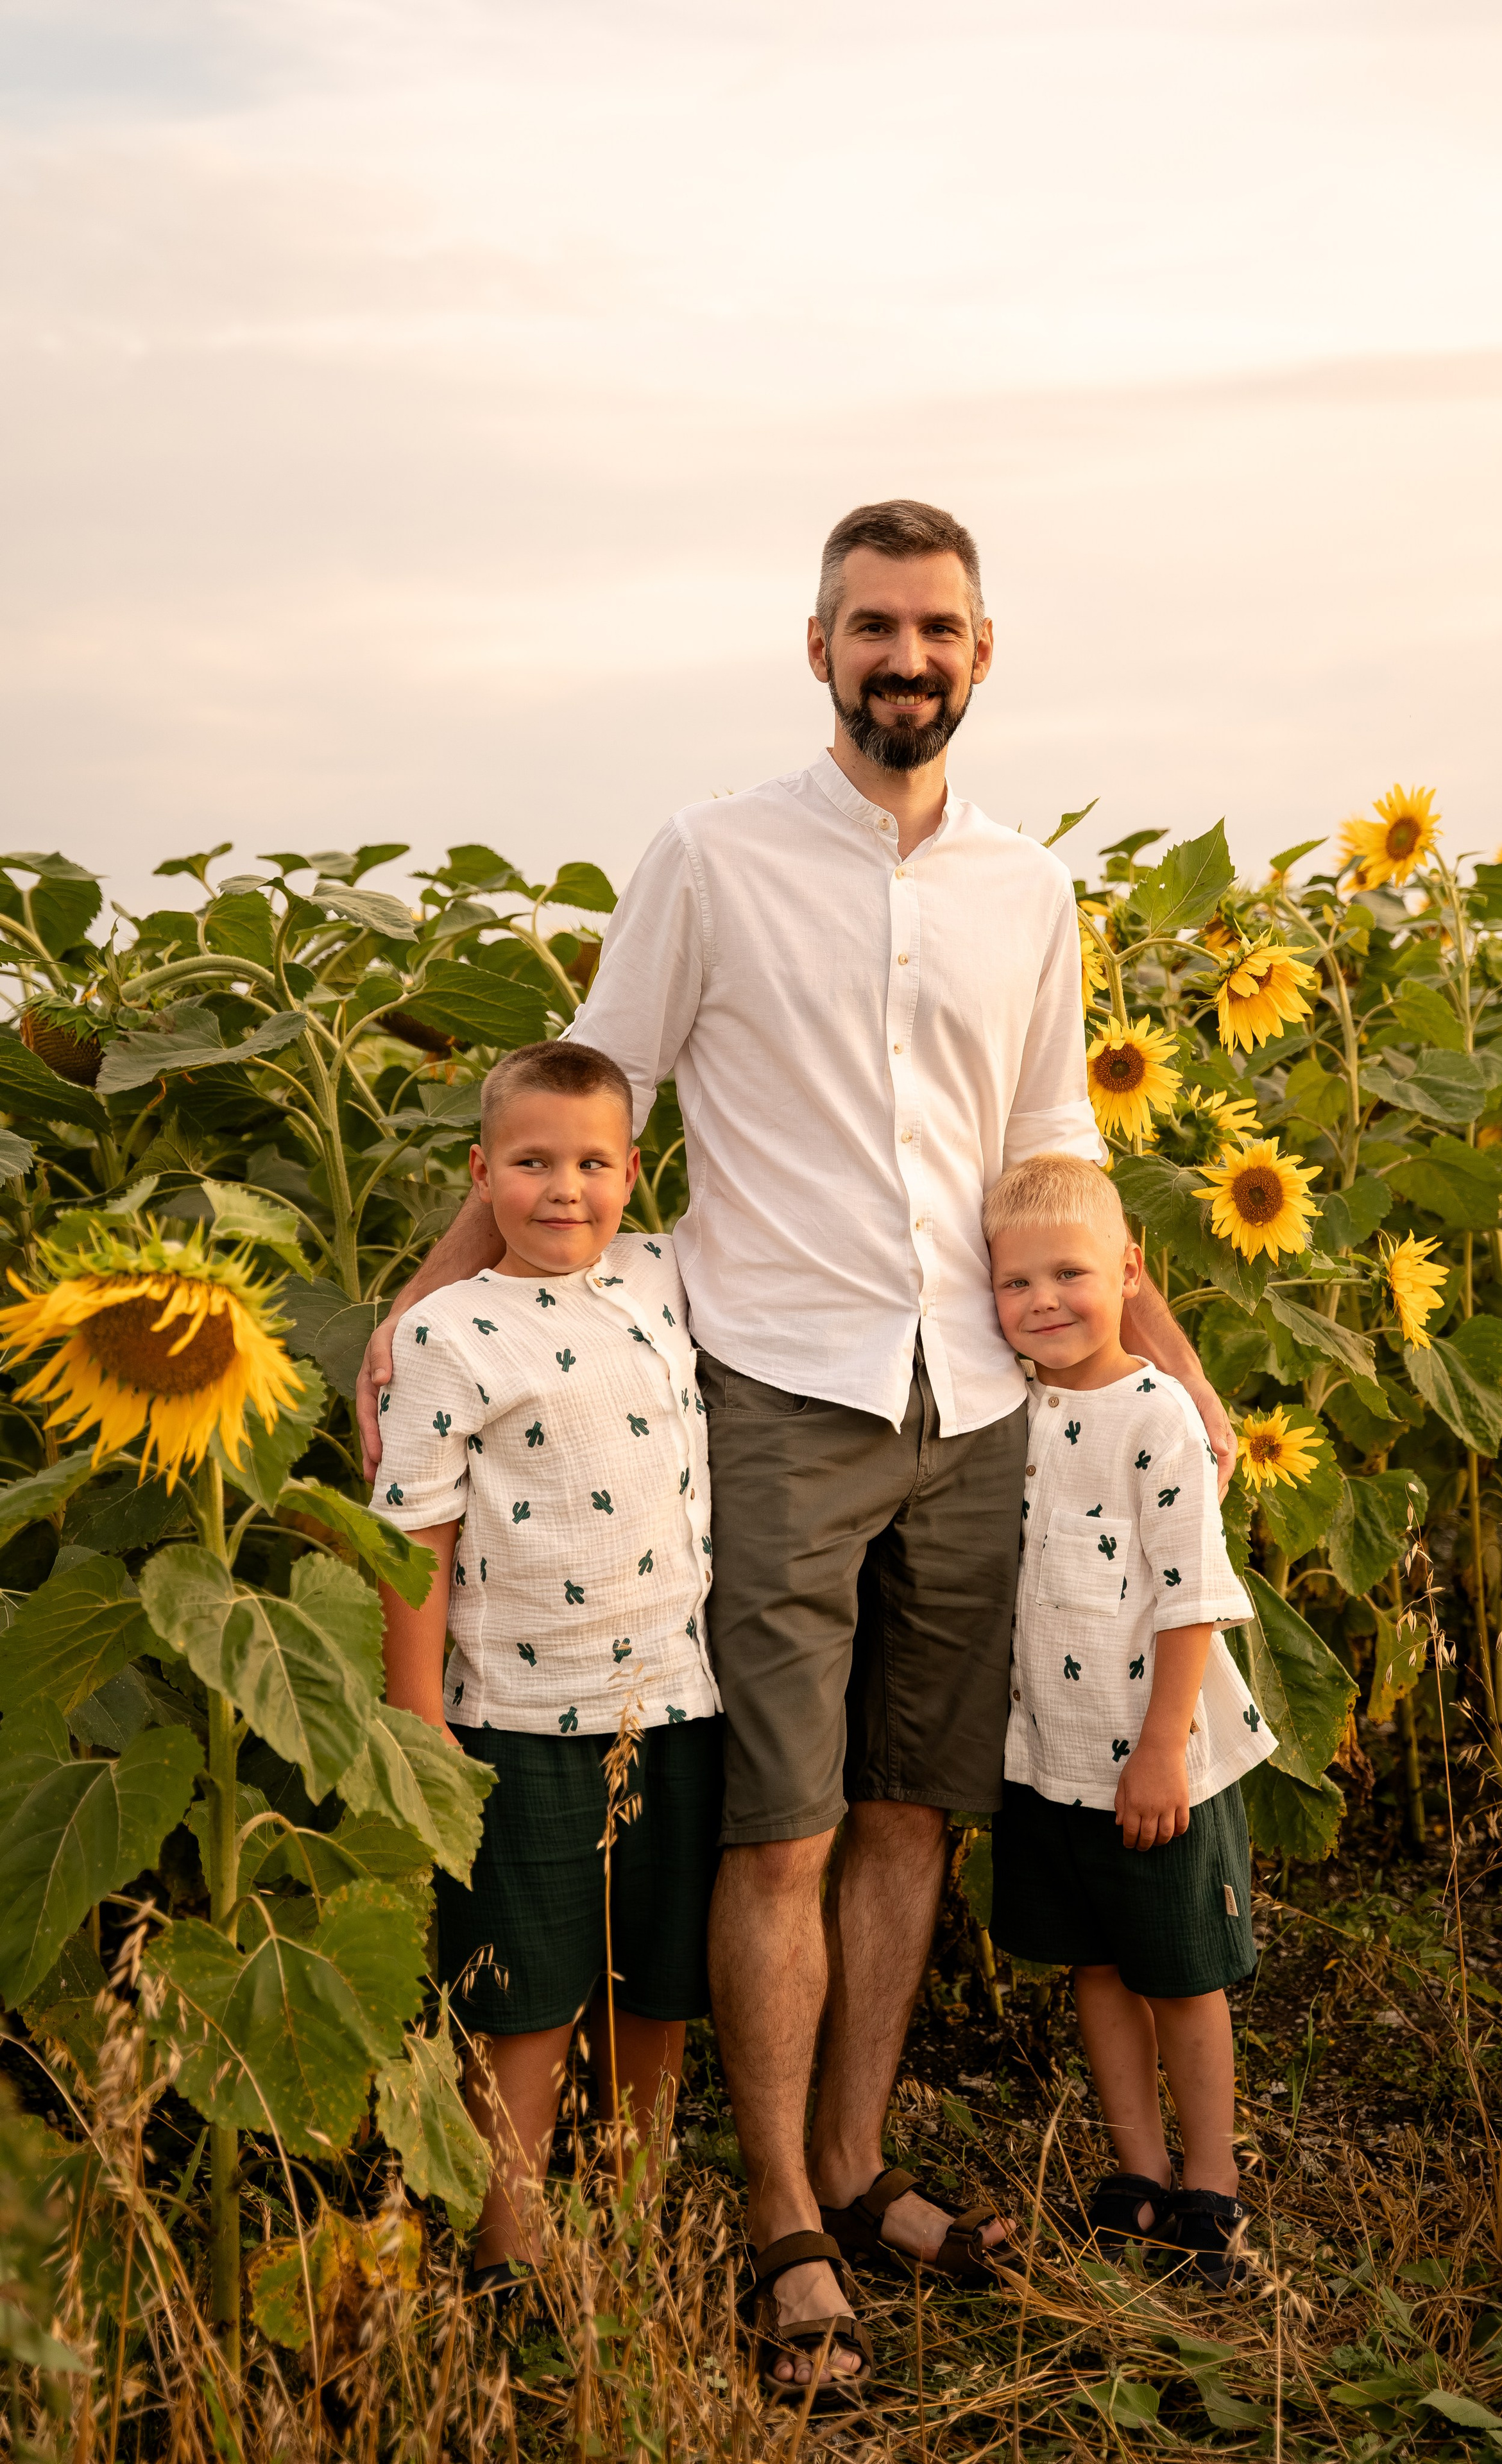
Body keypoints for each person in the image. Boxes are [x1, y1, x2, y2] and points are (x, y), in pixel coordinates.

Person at [359, 499, 1236, 2392]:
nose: (902, 657)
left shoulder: (1030, 888)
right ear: (817, 646)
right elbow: (586, 1097)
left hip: (977, 1407)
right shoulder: (714, 858)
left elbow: (1051, 1140)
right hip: (774, 1393)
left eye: (935, 627)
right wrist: (419, 1314)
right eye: (870, 626)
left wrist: (1161, 1339)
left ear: (982, 653)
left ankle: (856, 2166)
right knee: (785, 1823)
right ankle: (772, 2217)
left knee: (914, 1809)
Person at [369, 1040, 723, 2287]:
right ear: (482, 1175)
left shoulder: (657, 1277)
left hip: (676, 1701)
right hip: (516, 1715)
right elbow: (413, 1529)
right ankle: (508, 2250)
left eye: (589, 1163)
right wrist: (417, 1713)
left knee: (657, 1983)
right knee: (526, 1996)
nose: (562, 1188)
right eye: (529, 1163)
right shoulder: (448, 1331)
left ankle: (628, 2221)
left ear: (632, 1174)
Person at [982, 1151, 1274, 2291]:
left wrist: (1160, 1752)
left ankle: (1212, 2184)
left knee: (1180, 1974)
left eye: (1071, 1274)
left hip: (1154, 1756)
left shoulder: (1156, 1415)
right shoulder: (1012, 1408)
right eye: (1017, 1284)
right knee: (1097, 1969)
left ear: (1130, 1273)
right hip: (1048, 1755)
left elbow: (1191, 1593)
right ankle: (1136, 2172)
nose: (1045, 1301)